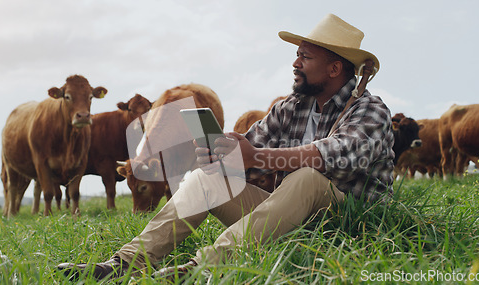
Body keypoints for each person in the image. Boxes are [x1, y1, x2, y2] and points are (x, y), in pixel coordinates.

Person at [57, 13, 395, 281]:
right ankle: (127, 263)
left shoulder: (370, 110)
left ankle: (207, 265)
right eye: (296, 56)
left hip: (348, 223)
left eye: (305, 57)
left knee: (306, 177)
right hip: (286, 218)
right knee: (206, 179)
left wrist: (258, 156)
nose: (295, 64)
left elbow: (339, 154)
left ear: (335, 68)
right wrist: (224, 152)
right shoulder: (291, 107)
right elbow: (250, 145)